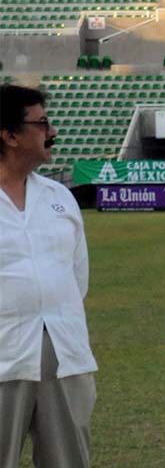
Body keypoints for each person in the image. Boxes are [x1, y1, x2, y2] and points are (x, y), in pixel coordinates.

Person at [0, 84, 96, 468]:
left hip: (64, 354)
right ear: (9, 135)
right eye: (41, 124)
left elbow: (77, 276)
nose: (52, 132)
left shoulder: (60, 197)